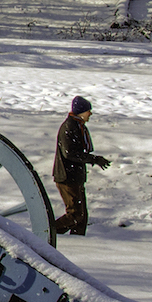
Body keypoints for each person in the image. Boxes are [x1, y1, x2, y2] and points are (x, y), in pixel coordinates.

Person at [52, 95, 110, 236]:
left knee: (81, 217)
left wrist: (93, 159)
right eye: (88, 111)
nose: (90, 113)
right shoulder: (70, 126)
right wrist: (94, 159)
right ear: (80, 111)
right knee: (75, 215)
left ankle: (78, 242)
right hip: (67, 176)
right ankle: (47, 232)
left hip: (74, 176)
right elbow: (70, 153)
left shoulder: (77, 126)